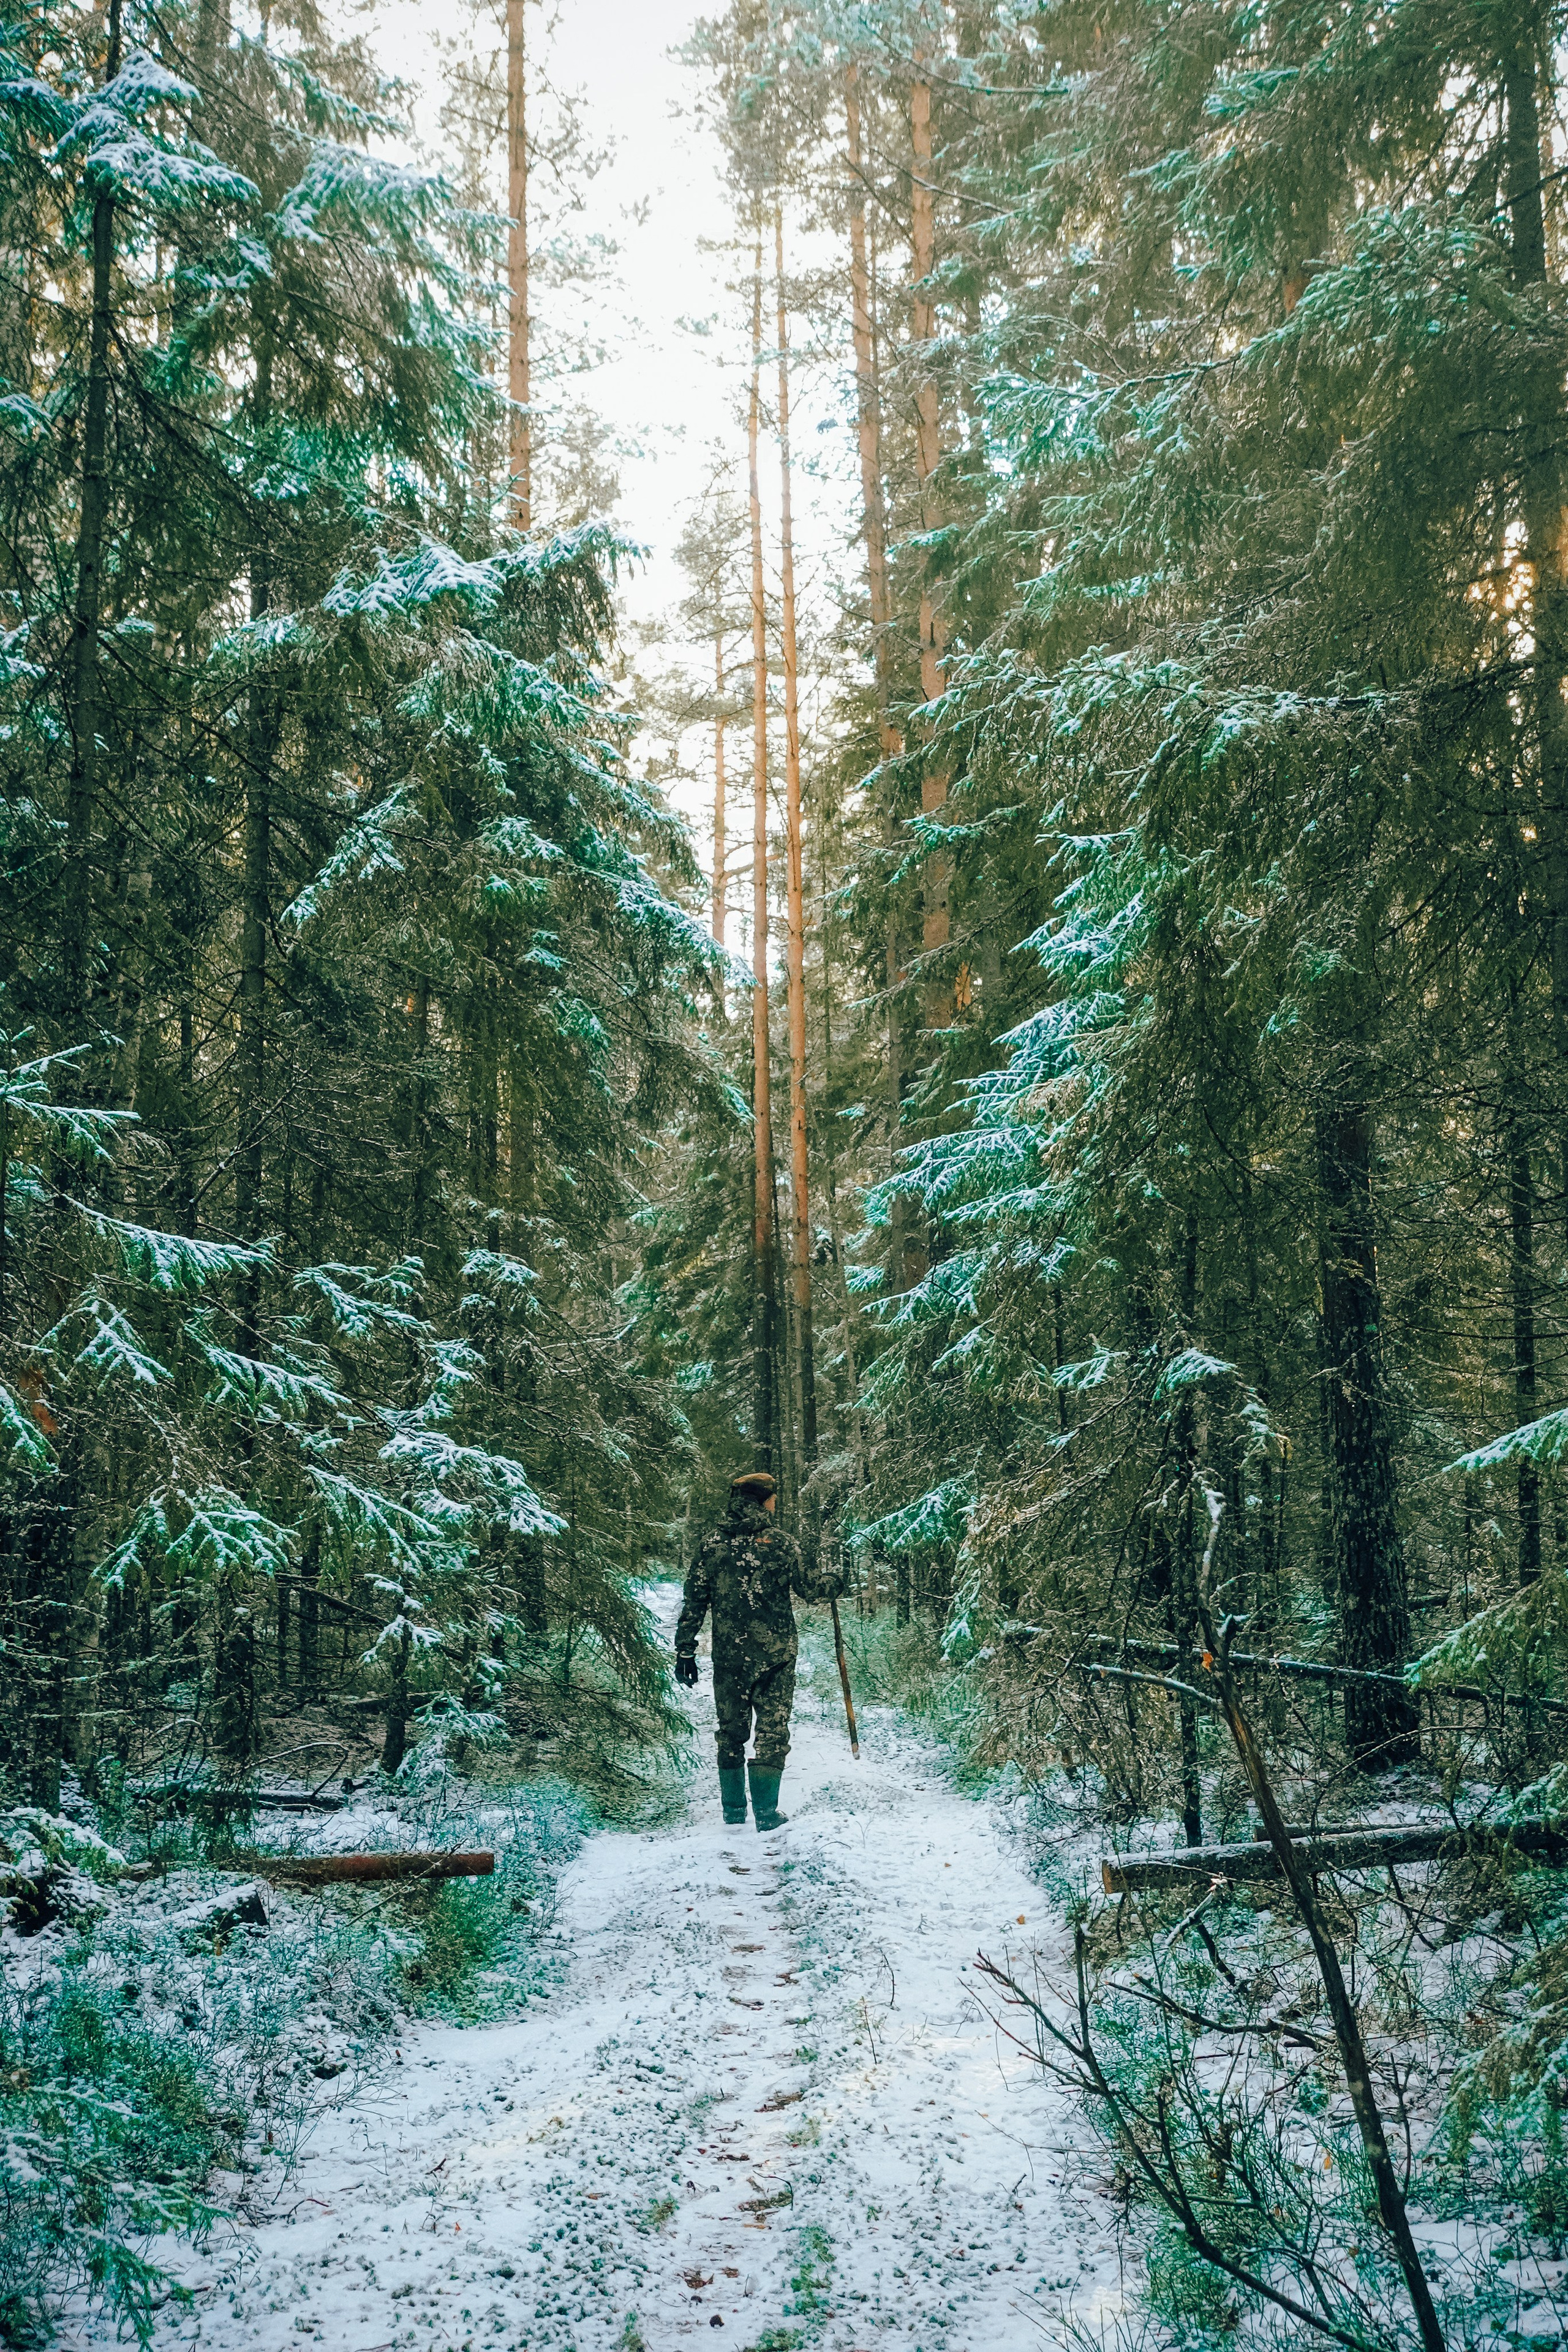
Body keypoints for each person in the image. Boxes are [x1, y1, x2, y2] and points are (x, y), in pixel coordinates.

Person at [674, 1468, 845, 1831]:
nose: (775, 1502)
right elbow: (812, 1589)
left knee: (730, 1730)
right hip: (776, 1656)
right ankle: (766, 1815)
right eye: (774, 1497)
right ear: (764, 1500)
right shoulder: (781, 1542)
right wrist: (835, 1580)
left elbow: (694, 1601)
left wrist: (685, 1650)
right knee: (772, 1731)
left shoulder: (711, 1544)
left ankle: (733, 1812)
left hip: (729, 1655)